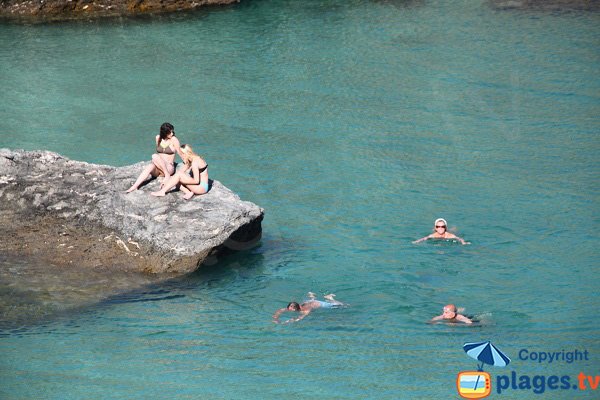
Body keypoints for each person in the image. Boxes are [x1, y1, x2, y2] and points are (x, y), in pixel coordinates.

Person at [126, 122, 182, 193]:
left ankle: (167, 175)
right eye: (169, 132)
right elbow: (159, 153)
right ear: (164, 132)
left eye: (172, 131)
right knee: (150, 166)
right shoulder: (158, 138)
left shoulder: (174, 139)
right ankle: (135, 186)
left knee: (154, 156)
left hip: (169, 168)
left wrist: (188, 162)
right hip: (159, 169)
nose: (172, 134)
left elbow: (180, 153)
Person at [272, 293, 344, 324]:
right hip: (309, 302)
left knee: (340, 305)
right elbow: (279, 311)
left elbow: (300, 318)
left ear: (297, 308)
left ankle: (329, 297)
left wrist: (287, 322)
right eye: (290, 307)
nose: (291, 309)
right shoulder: (289, 308)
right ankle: (312, 295)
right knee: (310, 300)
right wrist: (275, 318)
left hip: (319, 304)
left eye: (293, 308)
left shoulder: (305, 311)